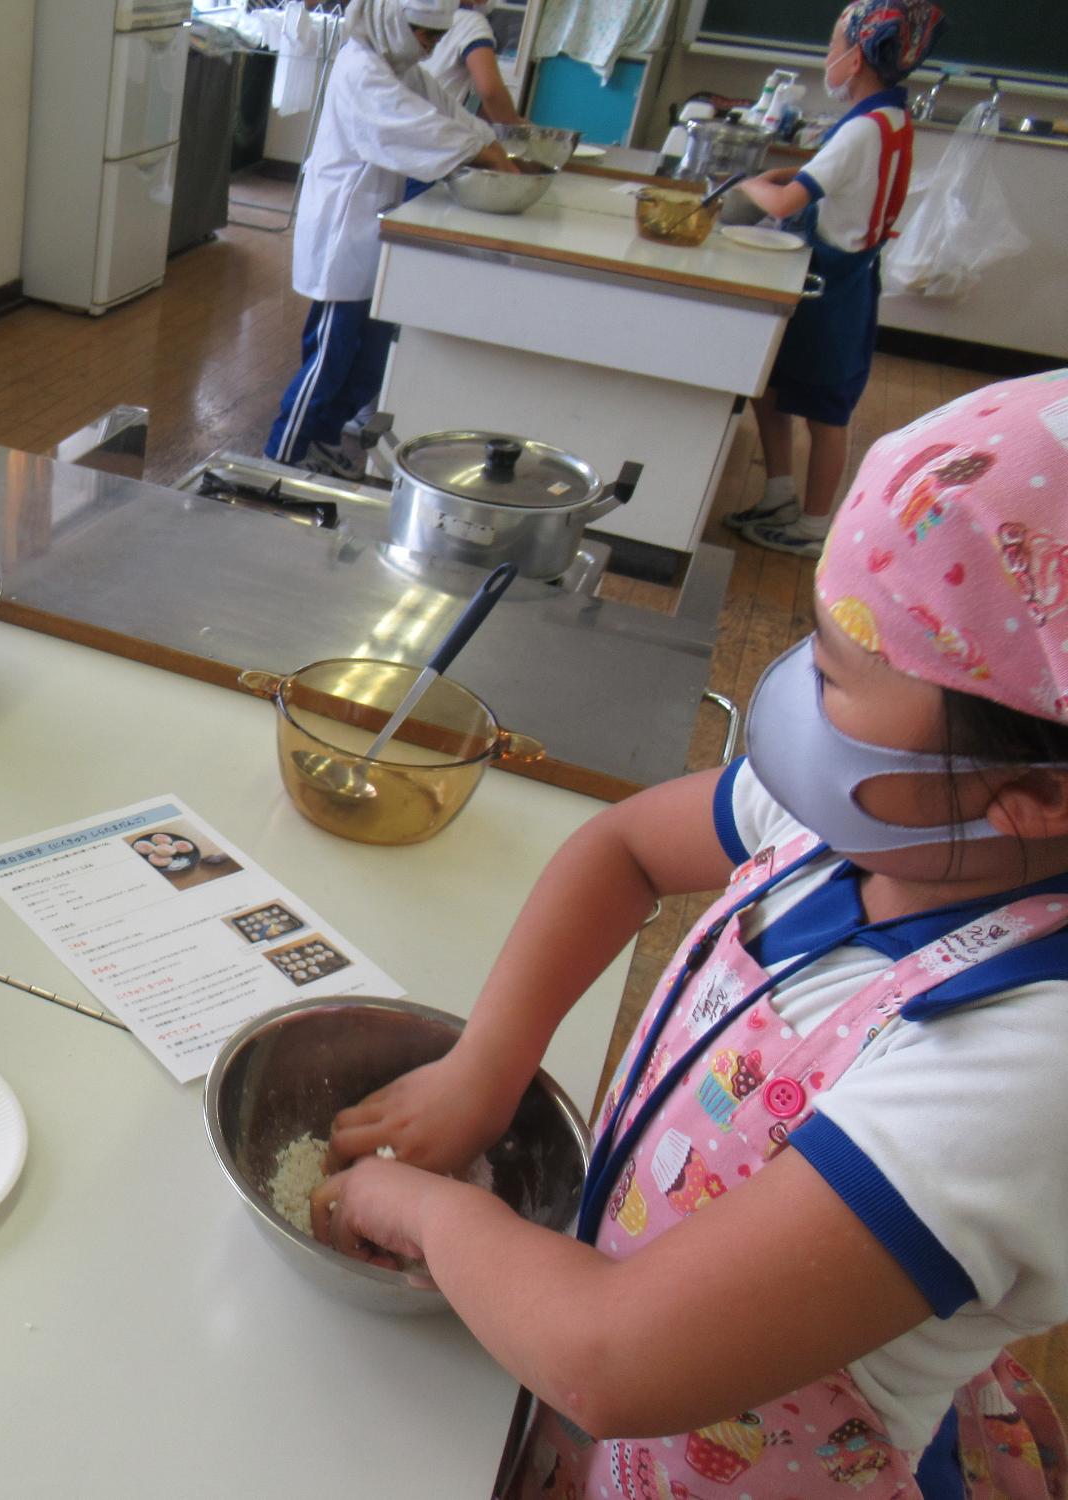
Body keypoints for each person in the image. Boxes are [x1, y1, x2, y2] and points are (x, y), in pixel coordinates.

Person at [312, 369, 1068, 1499]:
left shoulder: (1019, 1068)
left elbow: (610, 1359)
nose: (792, 701)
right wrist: (484, 1068)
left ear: (1032, 793)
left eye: (833, 673)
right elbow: (616, 851)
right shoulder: (870, 829)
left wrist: (422, 1205)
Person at [724, 0, 944, 560]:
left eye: (832, 46)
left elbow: (785, 199)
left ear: (859, 57)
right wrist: (791, 175)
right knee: (770, 389)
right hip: (842, 277)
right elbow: (840, 185)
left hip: (831, 287)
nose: (828, 58)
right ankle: (779, 494)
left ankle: (814, 526)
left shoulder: (860, 131)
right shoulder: (889, 115)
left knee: (826, 412)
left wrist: (747, 183)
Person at [266, 0, 517, 480]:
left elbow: (446, 113)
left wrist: (489, 142)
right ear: (392, 19)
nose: (430, 45)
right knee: (330, 358)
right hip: (343, 230)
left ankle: (319, 438)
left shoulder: (401, 68)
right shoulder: (360, 66)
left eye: (436, 37)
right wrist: (486, 154)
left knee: (369, 360)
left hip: (375, 226)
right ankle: (282, 454)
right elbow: (412, 127)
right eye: (424, 32)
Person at [424, 0, 522, 126]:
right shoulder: (470, 22)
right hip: (433, 130)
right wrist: (515, 126)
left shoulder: (416, 12)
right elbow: (490, 91)